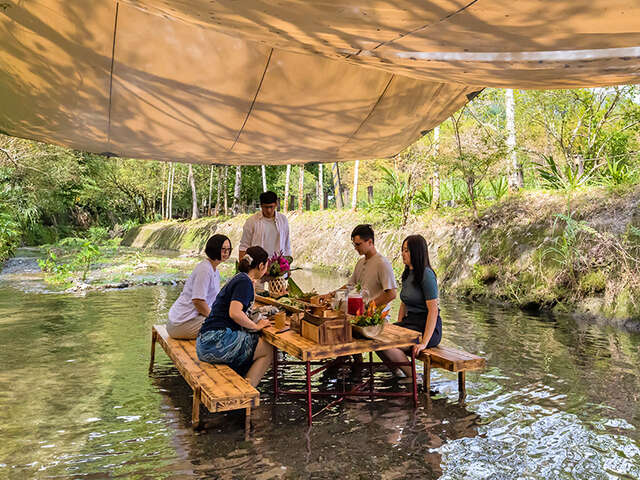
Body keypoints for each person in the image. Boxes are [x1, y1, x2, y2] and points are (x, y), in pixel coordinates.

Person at [196, 246, 274, 387]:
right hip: (215, 341)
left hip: (206, 341)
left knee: (252, 343)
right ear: (261, 266)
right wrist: (256, 326)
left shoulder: (241, 278)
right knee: (268, 349)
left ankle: (242, 382)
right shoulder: (244, 282)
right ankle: (248, 390)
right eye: (266, 266)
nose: (266, 270)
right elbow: (235, 313)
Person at [379, 234, 442, 381]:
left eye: (407, 250)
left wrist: (424, 342)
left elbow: (433, 311)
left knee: (386, 344)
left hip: (426, 328)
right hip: (410, 323)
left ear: (417, 252)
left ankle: (413, 378)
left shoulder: (426, 275)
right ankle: (398, 372)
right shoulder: (407, 274)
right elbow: (404, 303)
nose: (403, 253)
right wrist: (398, 327)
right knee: (377, 337)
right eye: (402, 250)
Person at [167, 234, 231, 339]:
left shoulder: (214, 270)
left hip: (186, 320)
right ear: (214, 249)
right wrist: (214, 318)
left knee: (227, 318)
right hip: (180, 323)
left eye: (228, 249)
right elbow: (198, 301)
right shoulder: (205, 270)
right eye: (223, 249)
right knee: (227, 324)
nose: (226, 252)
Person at [328, 224, 397, 309]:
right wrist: (330, 295)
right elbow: (350, 286)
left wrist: (368, 307)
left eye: (358, 244)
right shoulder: (360, 263)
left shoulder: (382, 263)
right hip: (358, 312)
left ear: (370, 242)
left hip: (374, 315)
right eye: (354, 245)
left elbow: (391, 294)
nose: (355, 248)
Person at [239, 191, 292, 260]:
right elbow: (244, 246)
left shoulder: (283, 220)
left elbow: (286, 244)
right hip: (257, 263)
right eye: (265, 207)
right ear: (261, 206)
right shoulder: (251, 221)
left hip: (278, 262)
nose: (269, 210)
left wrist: (287, 263)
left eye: (271, 207)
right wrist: (242, 265)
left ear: (276, 204)